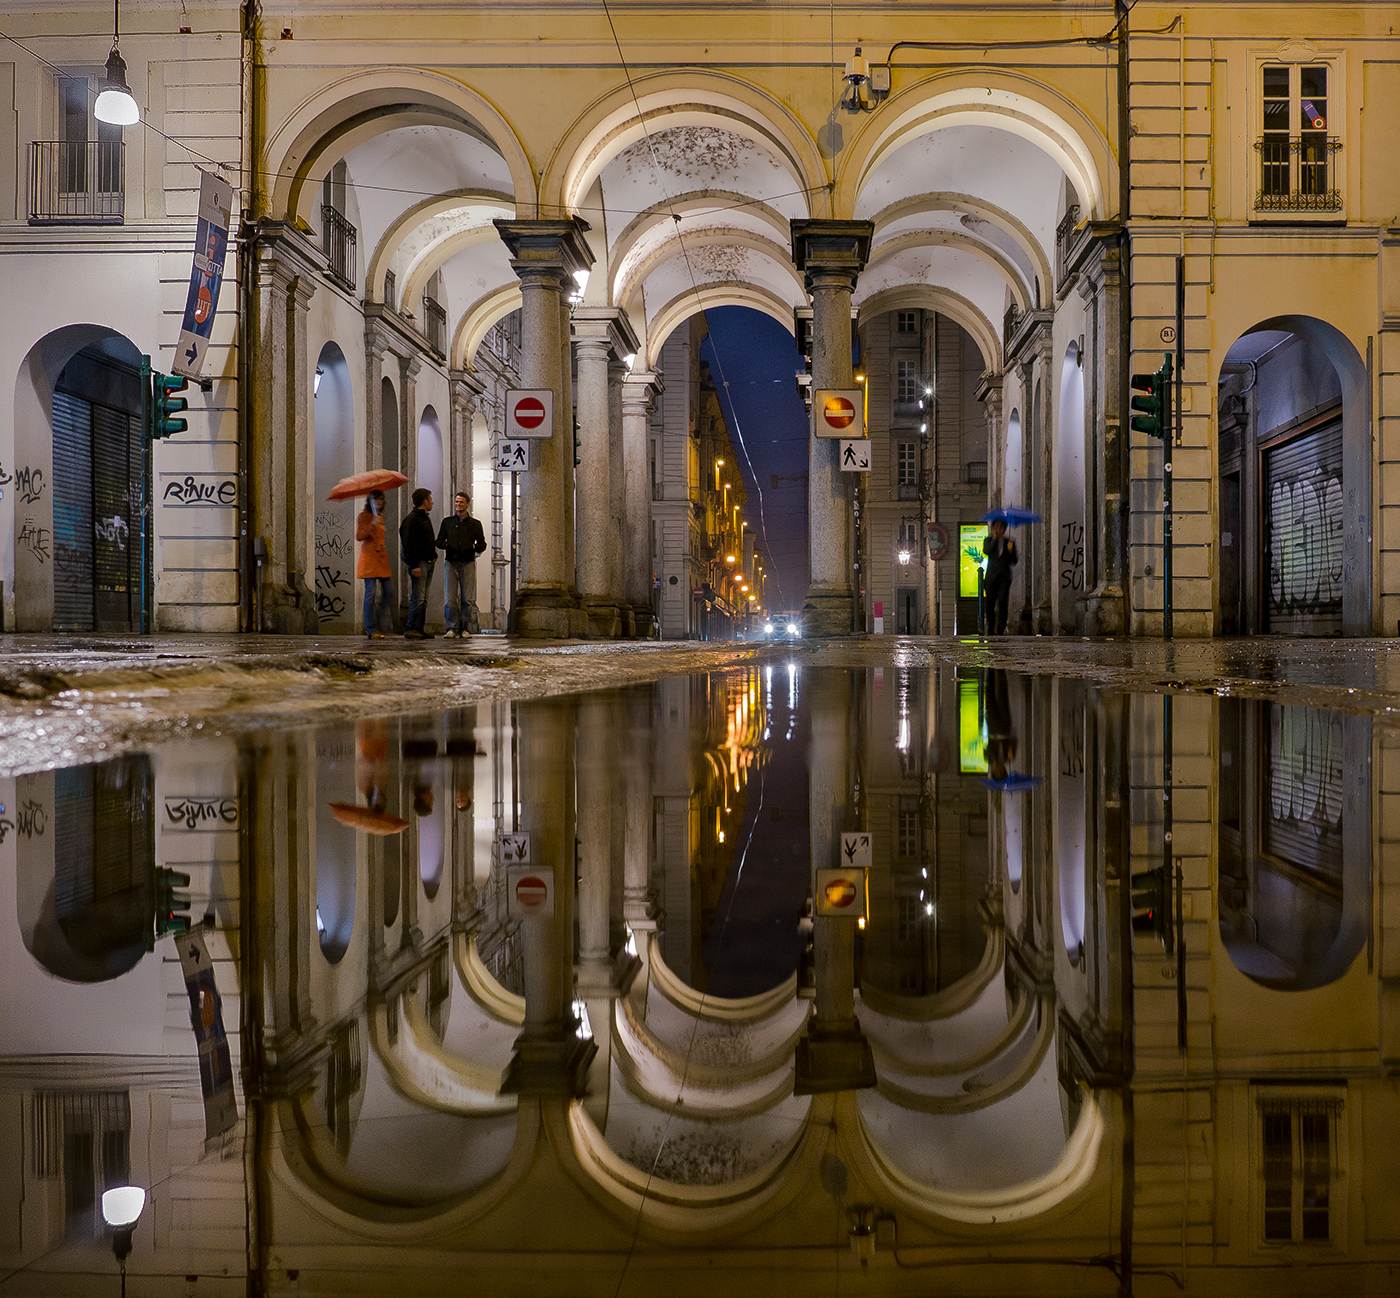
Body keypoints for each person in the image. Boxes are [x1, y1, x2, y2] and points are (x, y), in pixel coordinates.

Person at [436, 491, 488, 638]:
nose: (458, 505)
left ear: (467, 504)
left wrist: (473, 548)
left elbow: (482, 543)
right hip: (451, 562)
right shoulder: (448, 522)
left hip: (468, 562)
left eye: (461, 502)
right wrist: (447, 545)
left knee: (467, 598)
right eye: (457, 502)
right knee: (450, 598)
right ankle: (451, 627)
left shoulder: (475, 524)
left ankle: (465, 628)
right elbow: (438, 541)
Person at [399, 487, 436, 639]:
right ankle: (411, 627)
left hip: (428, 562)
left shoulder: (424, 517)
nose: (432, 502)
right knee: (418, 597)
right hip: (419, 563)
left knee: (424, 598)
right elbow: (408, 543)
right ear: (424, 501)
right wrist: (414, 564)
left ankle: (419, 627)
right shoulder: (412, 519)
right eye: (430, 499)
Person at [355, 491, 392, 639]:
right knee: (370, 594)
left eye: (381, 500)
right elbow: (359, 536)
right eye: (376, 500)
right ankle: (371, 628)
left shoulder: (380, 517)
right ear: (370, 501)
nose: (378, 503)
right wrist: (371, 524)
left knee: (388, 591)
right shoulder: (365, 516)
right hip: (369, 559)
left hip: (381, 560)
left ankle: (382, 624)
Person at [982, 518, 1018, 635]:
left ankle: (1001, 627)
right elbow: (986, 551)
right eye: (996, 527)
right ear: (993, 528)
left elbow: (1013, 561)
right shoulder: (988, 540)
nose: (998, 530)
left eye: (1001, 527)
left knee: (1003, 601)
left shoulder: (1009, 542)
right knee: (990, 603)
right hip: (991, 577)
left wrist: (1010, 551)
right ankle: (991, 626)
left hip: (1004, 577)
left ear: (1004, 529)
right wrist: (994, 539)